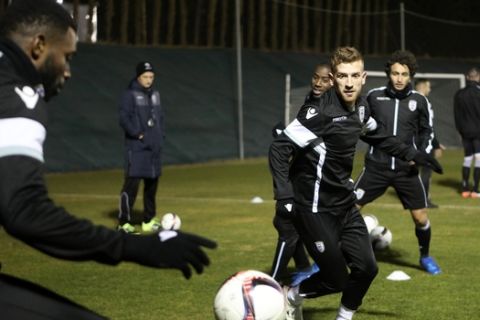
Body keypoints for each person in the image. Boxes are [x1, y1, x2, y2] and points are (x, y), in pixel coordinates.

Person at [0, 1, 216, 319]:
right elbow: (24, 211)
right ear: (39, 46)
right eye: (67, 57)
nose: (68, 71)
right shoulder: (15, 95)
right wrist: (136, 247)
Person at [269, 47, 442, 320]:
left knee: (367, 269)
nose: (348, 83)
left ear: (363, 77)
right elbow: (280, 148)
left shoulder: (361, 107)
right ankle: (290, 297)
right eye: (341, 76)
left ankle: (344, 316)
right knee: (335, 279)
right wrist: (284, 195)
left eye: (354, 76)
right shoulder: (319, 112)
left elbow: (378, 136)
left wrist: (414, 154)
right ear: (334, 78)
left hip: (345, 205)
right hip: (315, 209)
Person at [354, 50, 441, 275]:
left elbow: (427, 132)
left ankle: (425, 257)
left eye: (404, 74)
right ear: (389, 74)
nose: (399, 78)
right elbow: (361, 123)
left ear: (410, 76)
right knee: (348, 210)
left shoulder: (420, 101)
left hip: (406, 170)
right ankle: (328, 260)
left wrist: (419, 154)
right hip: (376, 167)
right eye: (395, 73)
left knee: (421, 218)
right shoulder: (374, 96)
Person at [270, 63, 332, 284]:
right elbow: (303, 137)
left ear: (333, 81)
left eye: (324, 79)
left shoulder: (326, 106)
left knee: (288, 227)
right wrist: (286, 135)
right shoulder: (311, 101)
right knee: (286, 223)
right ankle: (306, 267)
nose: (318, 82)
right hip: (302, 174)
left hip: (315, 178)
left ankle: (271, 283)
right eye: (315, 77)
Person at [118, 61, 165, 234]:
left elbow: (161, 117)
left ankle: (148, 220)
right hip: (137, 148)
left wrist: (160, 136)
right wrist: (138, 134)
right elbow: (124, 119)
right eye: (145, 77)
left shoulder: (155, 94)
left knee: (152, 186)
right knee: (131, 186)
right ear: (138, 77)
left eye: (151, 77)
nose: (148, 80)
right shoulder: (129, 94)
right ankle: (123, 223)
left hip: (154, 148)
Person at [414, 78, 445, 208]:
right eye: (428, 86)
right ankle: (424, 199)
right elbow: (428, 126)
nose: (430, 89)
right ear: (422, 86)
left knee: (412, 170)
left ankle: (413, 197)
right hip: (423, 142)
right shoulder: (424, 102)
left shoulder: (409, 99)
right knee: (426, 170)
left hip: (411, 141)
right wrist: (436, 144)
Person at [453, 67, 480, 198]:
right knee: (479, 158)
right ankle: (475, 190)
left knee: (467, 158)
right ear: (478, 77)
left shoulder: (459, 93)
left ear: (467, 77)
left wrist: (459, 130)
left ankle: (464, 189)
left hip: (464, 131)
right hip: (478, 131)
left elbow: (456, 114)